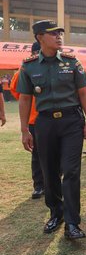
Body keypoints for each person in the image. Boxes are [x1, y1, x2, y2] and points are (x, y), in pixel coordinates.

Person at [17, 20, 86, 239]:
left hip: (71, 121)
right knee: (49, 171)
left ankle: (72, 222)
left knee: (70, 171)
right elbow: (24, 99)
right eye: (53, 33)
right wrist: (24, 130)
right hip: (45, 123)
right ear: (40, 37)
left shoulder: (72, 62)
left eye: (60, 33)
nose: (59, 36)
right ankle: (56, 212)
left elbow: (83, 93)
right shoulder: (29, 66)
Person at [10, 42, 45, 199]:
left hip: (53, 118)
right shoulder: (24, 70)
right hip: (34, 119)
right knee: (37, 154)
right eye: (36, 53)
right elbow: (17, 91)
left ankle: (53, 182)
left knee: (55, 152)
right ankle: (39, 185)